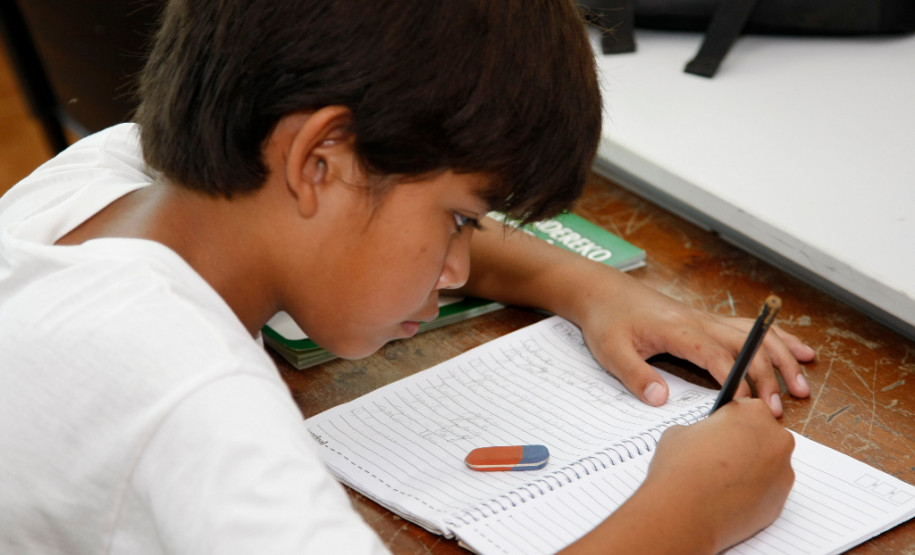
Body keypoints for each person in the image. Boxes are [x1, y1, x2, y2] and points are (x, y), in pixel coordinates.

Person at [0, 0, 814, 553]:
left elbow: (371, 208)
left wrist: (593, 287)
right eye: (458, 219)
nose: (459, 263)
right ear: (320, 159)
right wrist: (689, 512)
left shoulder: (108, 178)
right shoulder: (192, 400)